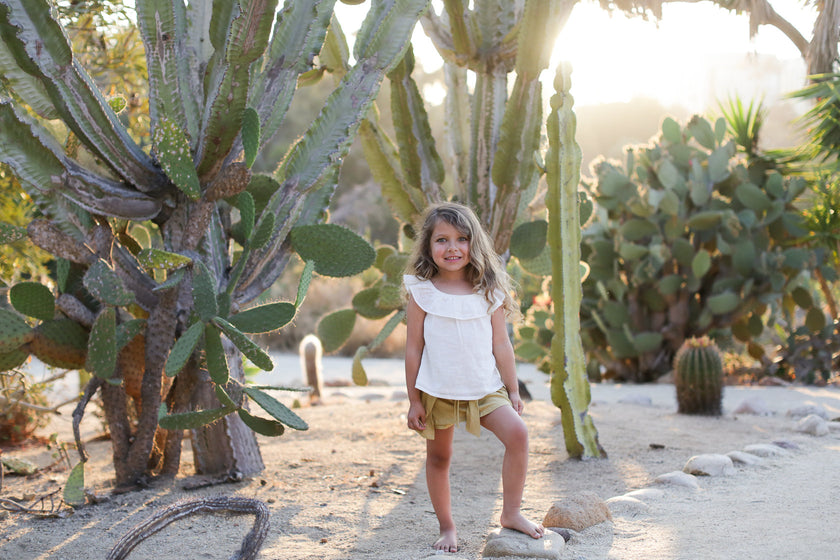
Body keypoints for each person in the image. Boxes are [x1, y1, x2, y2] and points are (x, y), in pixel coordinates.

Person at [403, 202, 545, 554]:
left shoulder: (488, 290)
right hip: (437, 391)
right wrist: (414, 400)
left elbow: (502, 344)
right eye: (442, 240)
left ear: (474, 243)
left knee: (518, 434)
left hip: (484, 388)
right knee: (439, 459)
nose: (452, 248)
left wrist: (512, 390)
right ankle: (448, 527)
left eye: (462, 239)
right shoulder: (422, 292)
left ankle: (511, 513)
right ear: (427, 246)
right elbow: (413, 349)